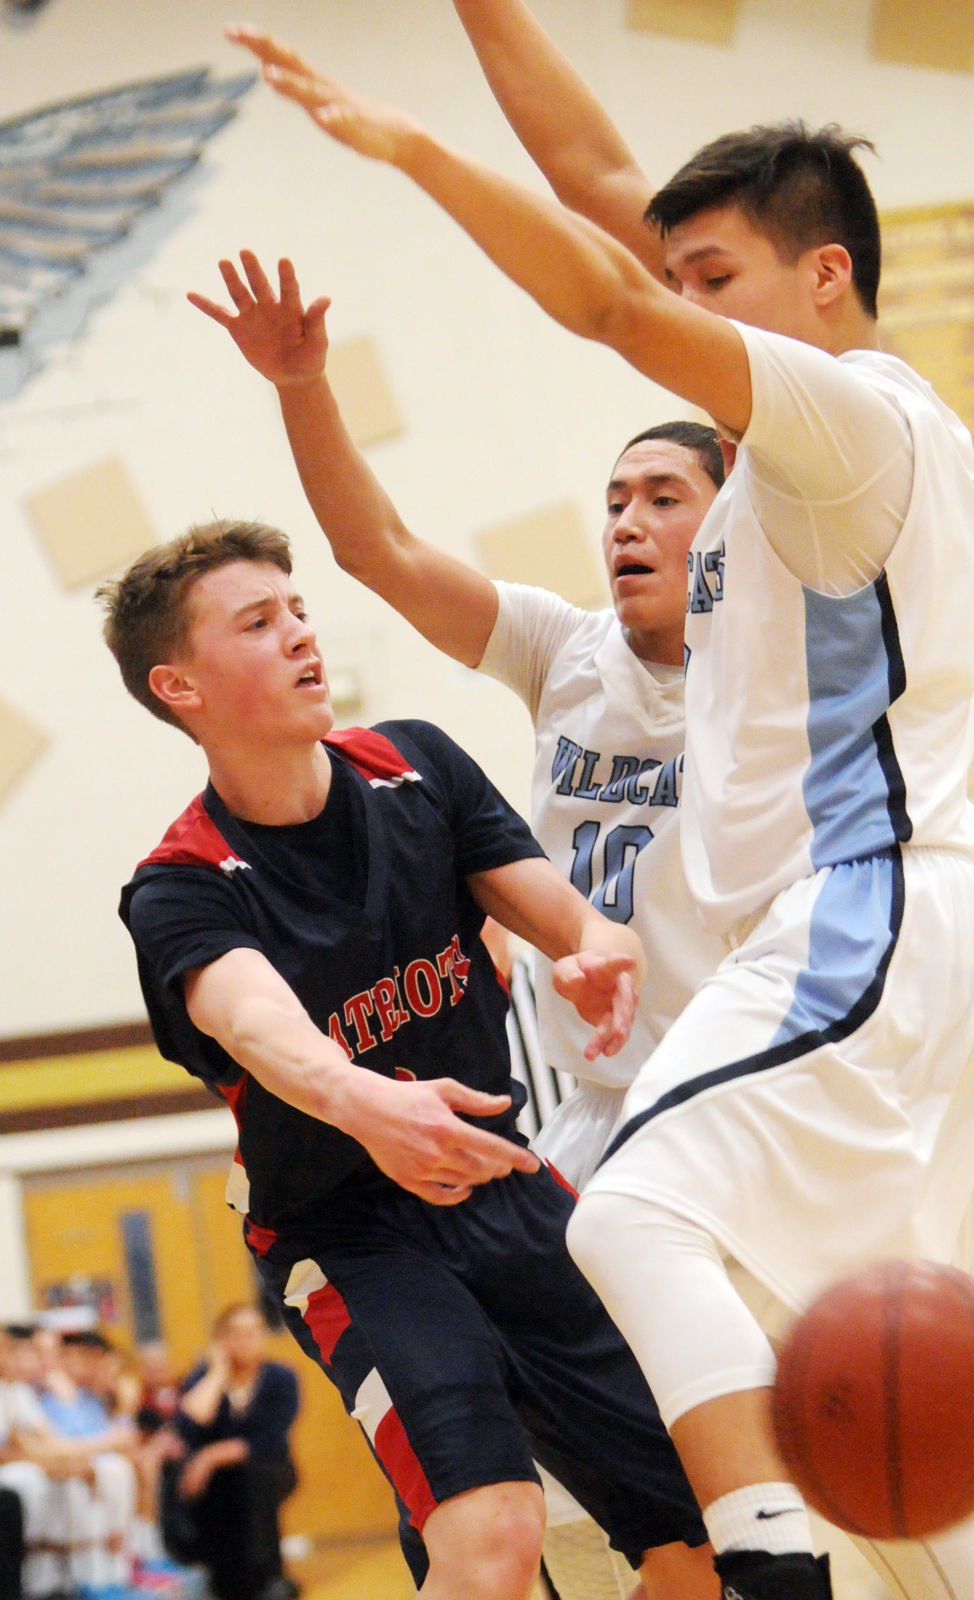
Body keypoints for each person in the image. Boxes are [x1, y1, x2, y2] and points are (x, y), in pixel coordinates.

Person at [223, 28, 974, 1600]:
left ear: (824, 276)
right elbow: (598, 196)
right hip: (820, 976)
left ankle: (766, 1573)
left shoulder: (844, 419)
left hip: (872, 913)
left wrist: (408, 150)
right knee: (897, 1454)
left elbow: (610, 293)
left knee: (632, 1226)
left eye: (717, 282)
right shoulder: (673, 564)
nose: (680, 312)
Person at [99, 520, 717, 1600]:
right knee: (492, 1530)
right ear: (179, 685)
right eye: (258, 622)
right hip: (349, 1232)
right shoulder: (183, 885)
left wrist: (599, 955)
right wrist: (369, 1106)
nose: (301, 633)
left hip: (506, 1189)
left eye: (296, 607)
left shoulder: (414, 765)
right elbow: (259, 1026)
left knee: (699, 1534)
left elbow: (573, 922)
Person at [187, 248, 727, 1192]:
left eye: (664, 498)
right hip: (600, 1089)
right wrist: (303, 384)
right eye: (614, 502)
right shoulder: (561, 646)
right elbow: (376, 550)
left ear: (732, 527)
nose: (626, 523)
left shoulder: (793, 671)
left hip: (753, 1077)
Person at [160, 1304, 298, 1600]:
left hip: (267, 1467)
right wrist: (218, 1373)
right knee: (213, 1484)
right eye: (235, 1334)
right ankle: (218, 1577)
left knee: (250, 1478)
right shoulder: (203, 1377)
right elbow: (188, 1425)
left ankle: (267, 1577)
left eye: (252, 1333)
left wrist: (209, 1457)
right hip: (212, 1478)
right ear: (220, 1339)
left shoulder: (281, 1378)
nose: (245, 1341)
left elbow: (269, 1439)